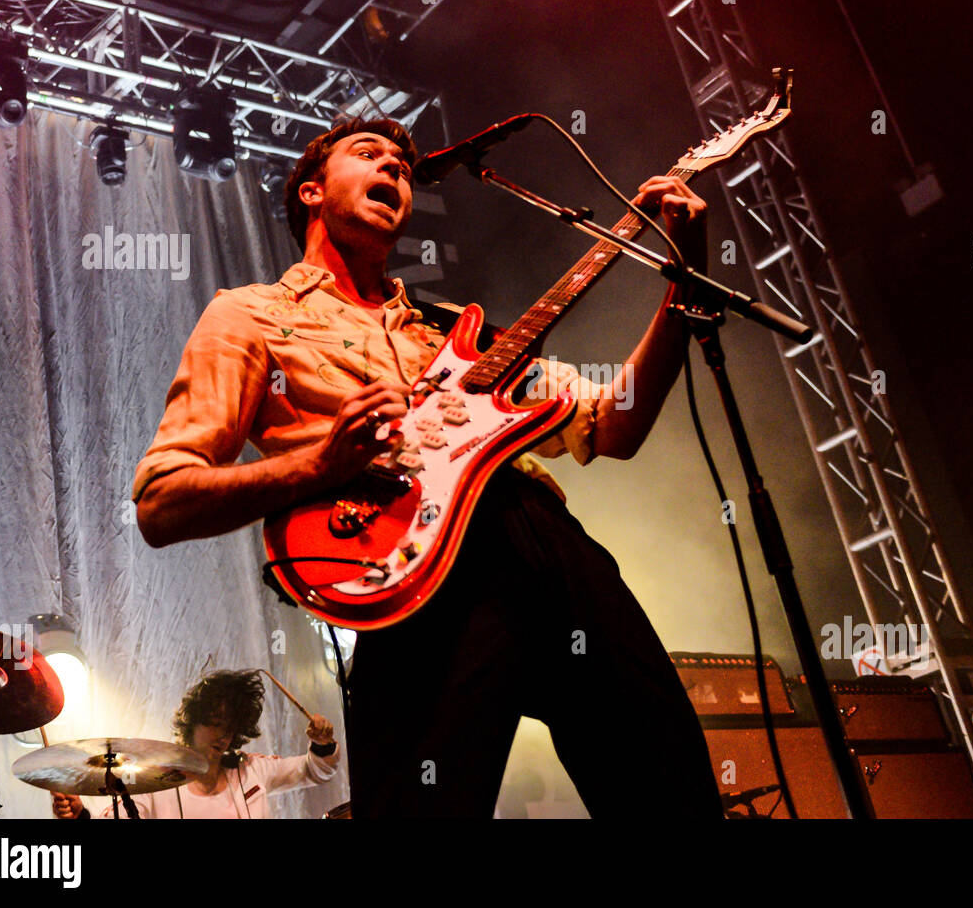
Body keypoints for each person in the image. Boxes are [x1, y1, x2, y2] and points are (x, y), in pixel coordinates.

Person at [131, 116, 723, 817]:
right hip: (414, 573)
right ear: (312, 191)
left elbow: (615, 424)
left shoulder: (453, 330)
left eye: (405, 167)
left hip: (547, 543)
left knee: (670, 782)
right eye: (369, 154)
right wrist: (319, 464)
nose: (394, 170)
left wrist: (682, 284)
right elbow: (162, 501)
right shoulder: (248, 316)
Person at [51, 669, 339, 818]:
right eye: (214, 723)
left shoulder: (251, 769)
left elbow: (314, 771)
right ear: (192, 722)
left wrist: (323, 744)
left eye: (230, 727)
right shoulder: (154, 784)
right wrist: (80, 817)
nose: (223, 735)